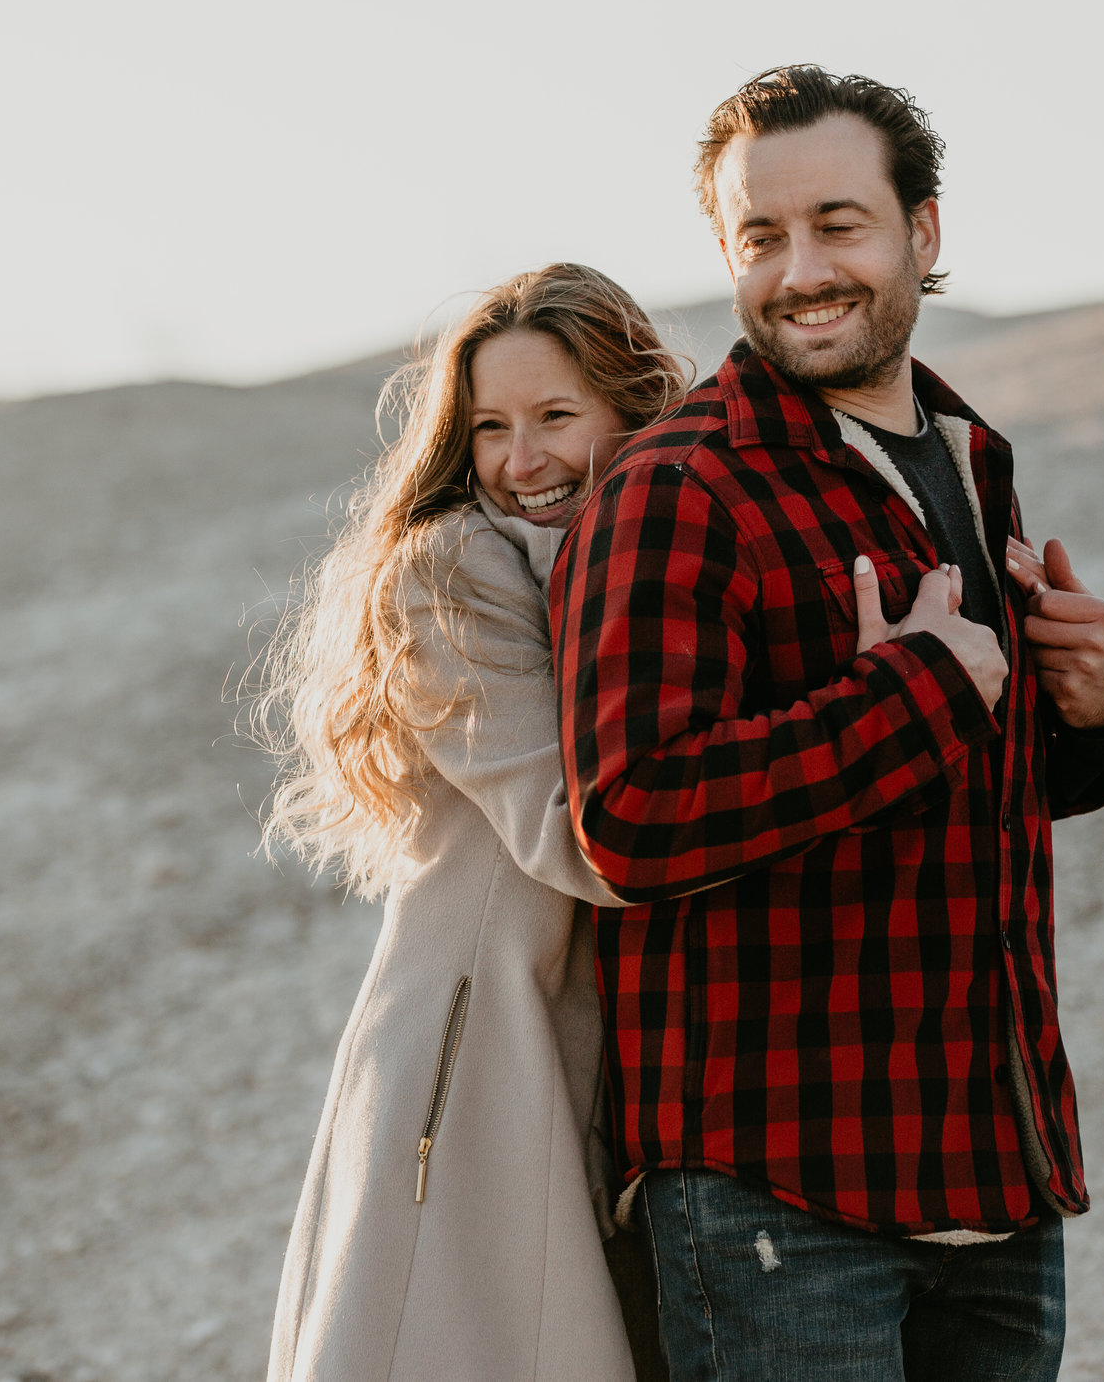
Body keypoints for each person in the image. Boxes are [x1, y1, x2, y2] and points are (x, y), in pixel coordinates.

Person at [551, 66, 1104, 1382]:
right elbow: (633, 816)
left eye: (838, 222)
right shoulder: (680, 488)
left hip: (994, 1167)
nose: (800, 268)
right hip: (780, 1190)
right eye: (760, 237)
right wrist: (918, 691)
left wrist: (1103, 702)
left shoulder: (965, 453)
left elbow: (975, 785)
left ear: (923, 233)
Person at [258, 263, 689, 1382]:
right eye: (491, 426)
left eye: (555, 415)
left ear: (631, 409)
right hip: (473, 1036)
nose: (521, 459)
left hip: (579, 1037)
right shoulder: (450, 570)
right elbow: (573, 836)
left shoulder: (635, 550)